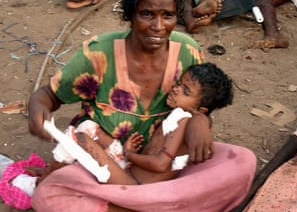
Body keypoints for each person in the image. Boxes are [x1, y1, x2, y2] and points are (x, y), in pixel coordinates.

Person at [28, 0, 256, 211]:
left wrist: (200, 122)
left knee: (243, 162)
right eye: (147, 14)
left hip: (163, 165)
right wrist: (37, 108)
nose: (158, 27)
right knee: (51, 197)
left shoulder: (188, 52)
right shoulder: (98, 53)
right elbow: (48, 95)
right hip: (110, 159)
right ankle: (148, 204)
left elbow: (202, 103)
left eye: (168, 16)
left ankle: (131, 205)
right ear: (130, 13)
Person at [43, 63, 234, 186]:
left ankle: (40, 183)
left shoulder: (185, 119)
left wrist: (129, 155)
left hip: (133, 184)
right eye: (178, 84)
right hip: (130, 170)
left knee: (79, 138)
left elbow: (160, 164)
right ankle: (49, 173)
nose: (175, 90)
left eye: (185, 91)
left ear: (202, 110)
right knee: (87, 127)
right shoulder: (181, 115)